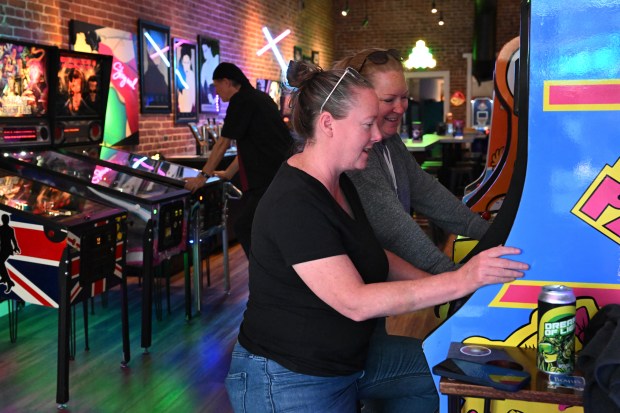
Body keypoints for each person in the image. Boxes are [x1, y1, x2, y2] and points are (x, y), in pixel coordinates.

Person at [224, 60, 529, 412]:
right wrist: (459, 282)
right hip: (291, 377)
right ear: (328, 125)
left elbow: (378, 257)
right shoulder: (294, 202)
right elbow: (355, 302)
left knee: (444, 377)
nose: (376, 135)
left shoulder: (340, 183)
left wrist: (451, 287)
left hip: (352, 358)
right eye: (366, 124)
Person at [333, 49, 491, 275]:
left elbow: (428, 193)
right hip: (351, 283)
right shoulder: (355, 151)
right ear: (357, 99)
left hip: (378, 279)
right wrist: (450, 275)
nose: (400, 108)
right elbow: (393, 226)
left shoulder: (390, 141)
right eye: (388, 100)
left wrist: (491, 233)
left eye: (404, 97)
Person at [184, 62, 293, 258]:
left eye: (216, 86)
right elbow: (250, 144)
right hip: (279, 175)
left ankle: (266, 275)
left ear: (226, 82)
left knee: (244, 227)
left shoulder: (241, 101)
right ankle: (270, 274)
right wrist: (227, 173)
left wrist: (202, 176)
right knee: (262, 228)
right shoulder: (260, 98)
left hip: (266, 179)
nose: (217, 93)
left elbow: (223, 143)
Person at [0, 214, 20, 294]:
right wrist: (15, 247)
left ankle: (8, 281)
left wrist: (16, 247)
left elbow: (13, 239)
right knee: (1, 263)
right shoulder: (5, 229)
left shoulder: (7, 229)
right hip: (4, 248)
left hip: (7, 249)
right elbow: (13, 240)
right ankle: (5, 279)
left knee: (0, 263)